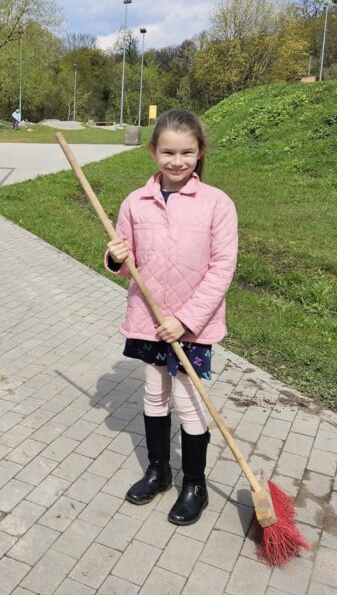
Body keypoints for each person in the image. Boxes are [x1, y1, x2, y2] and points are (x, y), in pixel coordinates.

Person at [104, 109, 237, 525]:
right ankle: (159, 471)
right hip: (149, 320)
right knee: (154, 394)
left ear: (200, 153)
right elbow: (126, 264)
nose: (177, 161)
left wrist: (186, 320)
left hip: (192, 326)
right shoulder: (135, 202)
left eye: (186, 153)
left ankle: (194, 485)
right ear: (153, 152)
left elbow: (222, 268)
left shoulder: (217, 203)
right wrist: (116, 256)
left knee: (188, 399)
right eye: (168, 153)